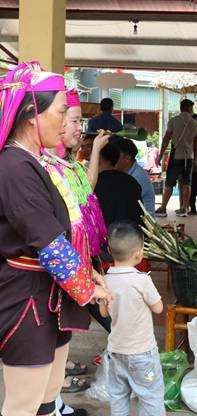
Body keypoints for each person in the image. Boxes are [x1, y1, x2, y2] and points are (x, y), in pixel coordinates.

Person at [0, 61, 111, 416]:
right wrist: (88, 286)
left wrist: (87, 273)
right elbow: (46, 239)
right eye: (61, 112)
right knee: (23, 404)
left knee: (47, 398)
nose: (66, 123)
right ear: (34, 114)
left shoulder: (37, 160)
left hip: (51, 295)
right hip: (26, 298)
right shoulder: (14, 166)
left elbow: (62, 227)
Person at [99, 222, 165, 416]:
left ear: (110, 251)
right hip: (142, 353)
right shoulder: (142, 280)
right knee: (151, 395)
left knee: (118, 396)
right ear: (139, 253)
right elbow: (159, 308)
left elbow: (103, 313)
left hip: (116, 351)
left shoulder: (105, 281)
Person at [155, 99, 197, 217]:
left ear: (181, 108)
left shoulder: (173, 121)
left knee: (170, 183)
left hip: (176, 155)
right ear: (190, 109)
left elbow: (166, 139)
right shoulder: (196, 124)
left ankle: (163, 207)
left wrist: (161, 154)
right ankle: (183, 208)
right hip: (189, 157)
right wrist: (195, 158)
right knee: (187, 183)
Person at [94, 143, 143, 229]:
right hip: (133, 235)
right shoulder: (132, 181)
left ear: (98, 159)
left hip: (108, 236)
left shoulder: (94, 184)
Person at [114, 138, 156, 216]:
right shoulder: (128, 173)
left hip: (141, 224)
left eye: (115, 156)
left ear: (127, 158)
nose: (112, 159)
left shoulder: (137, 177)